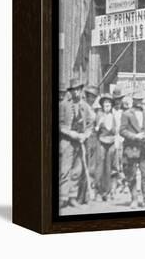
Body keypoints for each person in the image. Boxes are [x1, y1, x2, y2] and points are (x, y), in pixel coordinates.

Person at [59, 77, 94, 209]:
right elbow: (61, 125)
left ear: (81, 90)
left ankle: (73, 197)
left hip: (81, 142)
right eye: (73, 90)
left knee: (77, 170)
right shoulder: (63, 105)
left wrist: (85, 135)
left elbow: (90, 125)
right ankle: (63, 198)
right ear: (70, 91)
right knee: (64, 170)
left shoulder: (85, 107)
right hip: (67, 141)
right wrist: (71, 133)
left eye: (78, 90)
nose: (76, 93)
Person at [119, 89, 145, 208]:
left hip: (143, 148)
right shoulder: (127, 114)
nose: (139, 102)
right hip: (131, 148)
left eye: (141, 99)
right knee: (131, 174)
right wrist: (134, 136)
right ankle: (134, 199)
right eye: (137, 99)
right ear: (133, 100)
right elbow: (122, 131)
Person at [95, 93, 118, 202]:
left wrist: (116, 141)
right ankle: (99, 191)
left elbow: (116, 132)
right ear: (102, 106)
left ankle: (108, 192)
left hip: (111, 143)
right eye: (105, 104)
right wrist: (98, 124)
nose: (107, 106)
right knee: (101, 167)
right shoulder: (99, 116)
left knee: (109, 167)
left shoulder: (114, 116)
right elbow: (95, 130)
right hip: (101, 142)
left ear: (111, 105)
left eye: (109, 104)